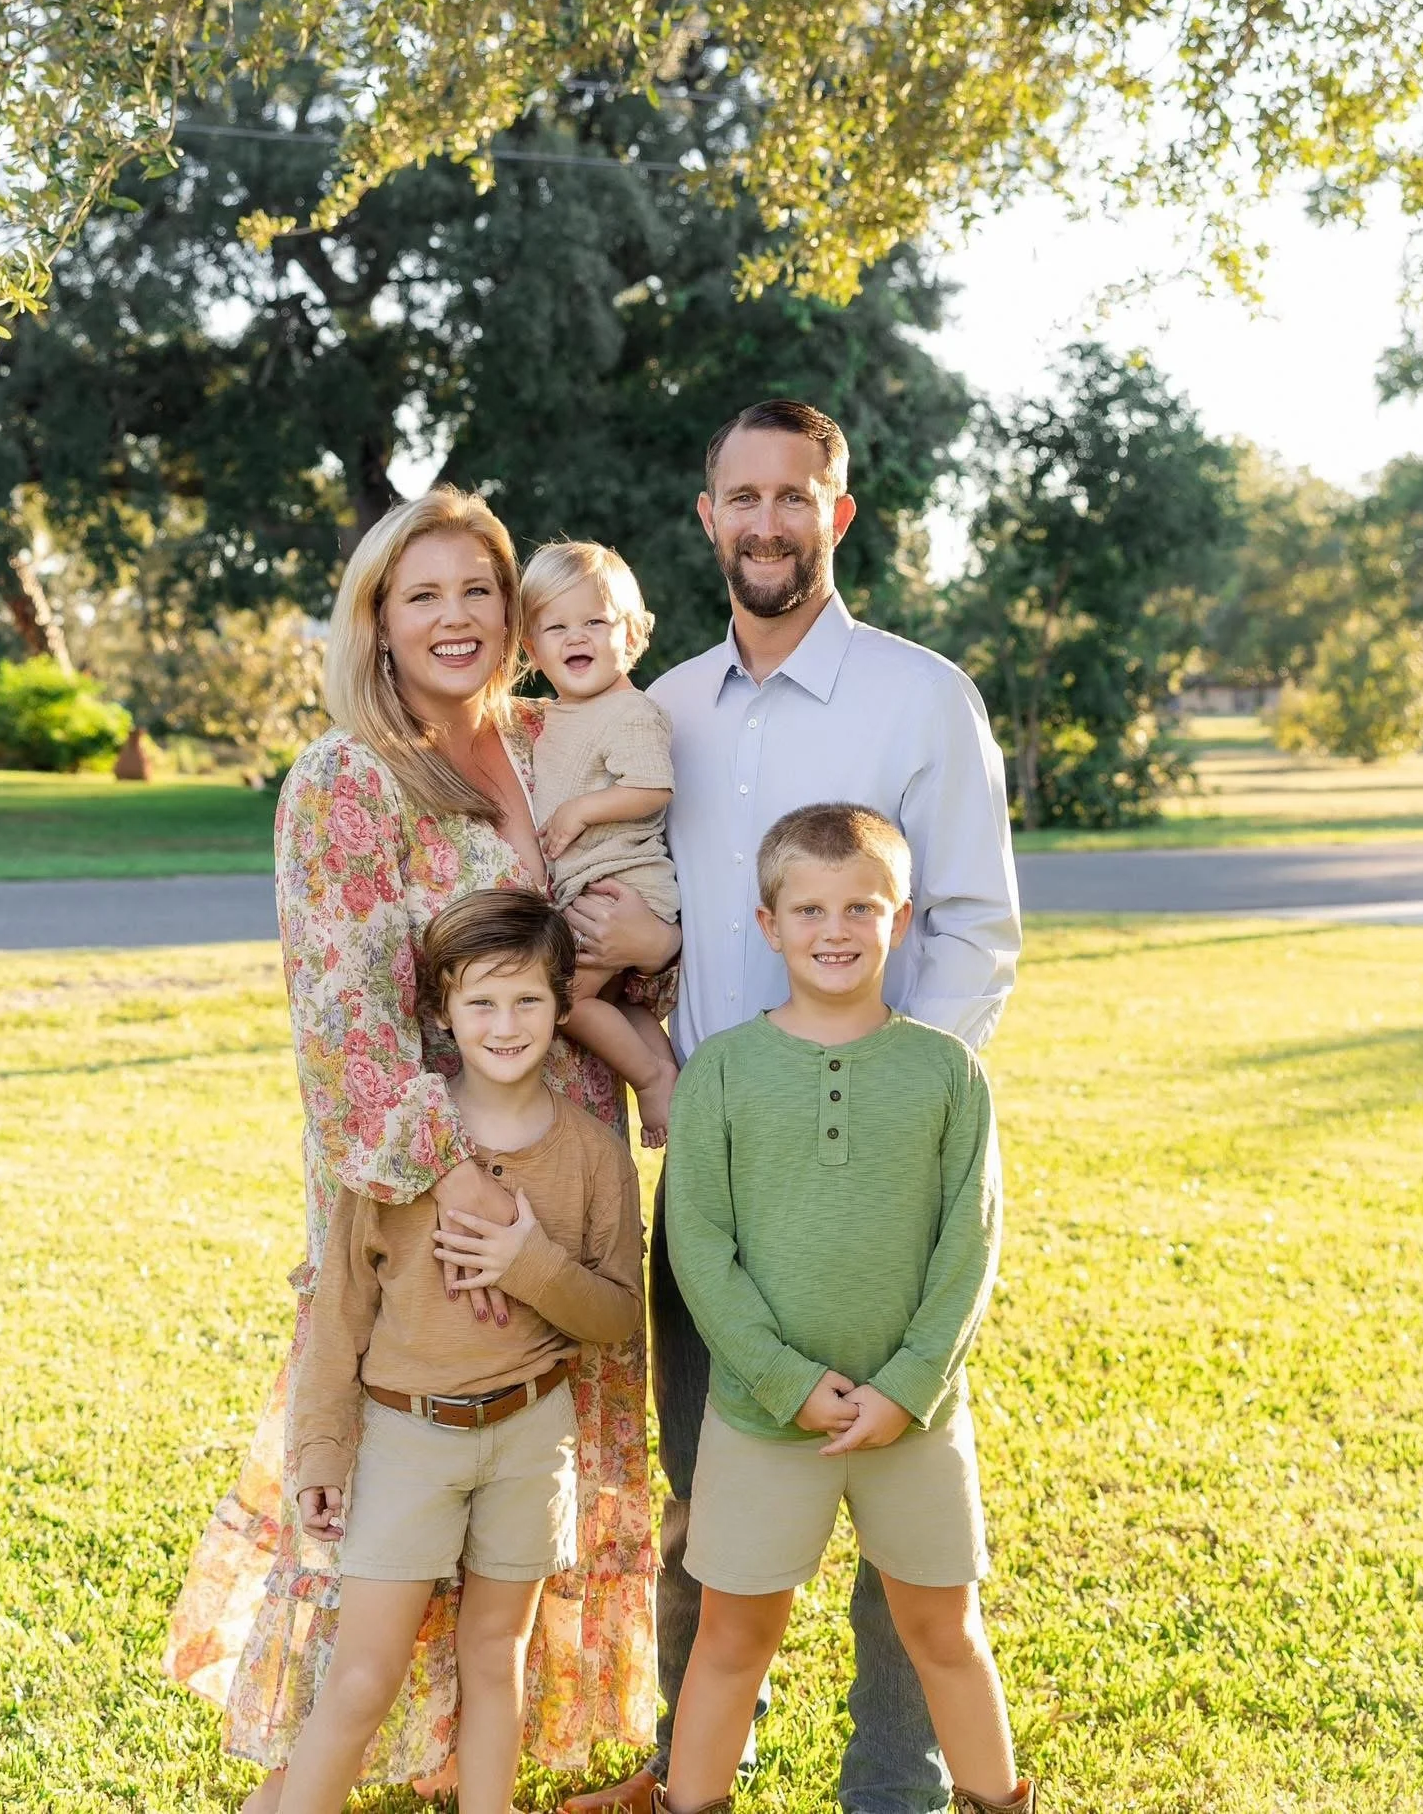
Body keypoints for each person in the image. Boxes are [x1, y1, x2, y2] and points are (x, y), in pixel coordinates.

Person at [163, 487, 673, 1791]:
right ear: (377, 622)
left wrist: (651, 957)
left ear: (514, 610)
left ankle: (472, 1775)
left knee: (510, 1560)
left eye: (479, 589)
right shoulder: (348, 778)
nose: (457, 616)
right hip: (437, 1215)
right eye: (421, 593)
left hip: (575, 1183)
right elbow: (341, 1031)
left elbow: (637, 910)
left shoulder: (565, 740)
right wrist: (469, 1205)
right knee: (397, 1557)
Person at [564, 400, 1021, 1814]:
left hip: (881, 1181)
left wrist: (889, 1112)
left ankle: (901, 1784)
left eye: (794, 495)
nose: (766, 520)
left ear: (839, 513)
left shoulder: (921, 696)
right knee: (709, 1497)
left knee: (899, 1490)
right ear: (707, 517)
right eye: (739, 496)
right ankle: (692, 1770)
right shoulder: (667, 711)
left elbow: (974, 929)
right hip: (716, 1168)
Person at [659, 804, 1029, 1814]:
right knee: (732, 1641)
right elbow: (699, 1244)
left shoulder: (945, 1073)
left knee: (945, 1634)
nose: (836, 927)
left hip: (913, 1418)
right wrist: (785, 1380)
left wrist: (906, 1387)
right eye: (809, 906)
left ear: (899, 919)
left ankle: (997, 1800)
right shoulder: (722, 1074)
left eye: (861, 905)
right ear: (767, 923)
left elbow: (971, 1247)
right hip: (759, 1415)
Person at [279, 889, 646, 1814]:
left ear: (563, 1006)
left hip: (533, 1436)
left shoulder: (596, 1153)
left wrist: (528, 1264)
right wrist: (321, 1450)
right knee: (363, 1676)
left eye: (527, 999)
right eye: (480, 1001)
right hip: (407, 1438)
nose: (505, 1023)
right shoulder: (403, 1149)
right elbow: (339, 1315)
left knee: (496, 1659)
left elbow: (616, 1316)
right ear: (441, 1011)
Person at [522, 540, 681, 1146]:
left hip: (624, 888)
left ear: (632, 636)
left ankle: (649, 1078)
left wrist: (581, 809)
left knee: (565, 1002)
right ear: (533, 650)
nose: (576, 637)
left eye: (595, 621)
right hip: (596, 890)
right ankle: (665, 1069)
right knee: (621, 1001)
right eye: (556, 627)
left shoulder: (629, 712)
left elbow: (652, 787)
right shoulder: (554, 715)